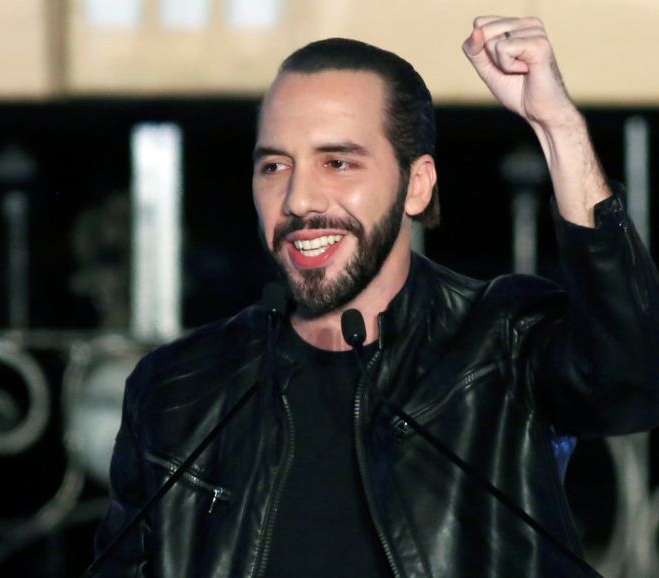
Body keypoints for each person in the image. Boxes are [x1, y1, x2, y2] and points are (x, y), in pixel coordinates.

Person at [93, 15, 659, 578]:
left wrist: (558, 126)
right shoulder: (178, 389)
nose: (298, 199)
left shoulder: (501, 341)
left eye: (337, 163)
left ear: (416, 186)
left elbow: (632, 379)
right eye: (275, 165)